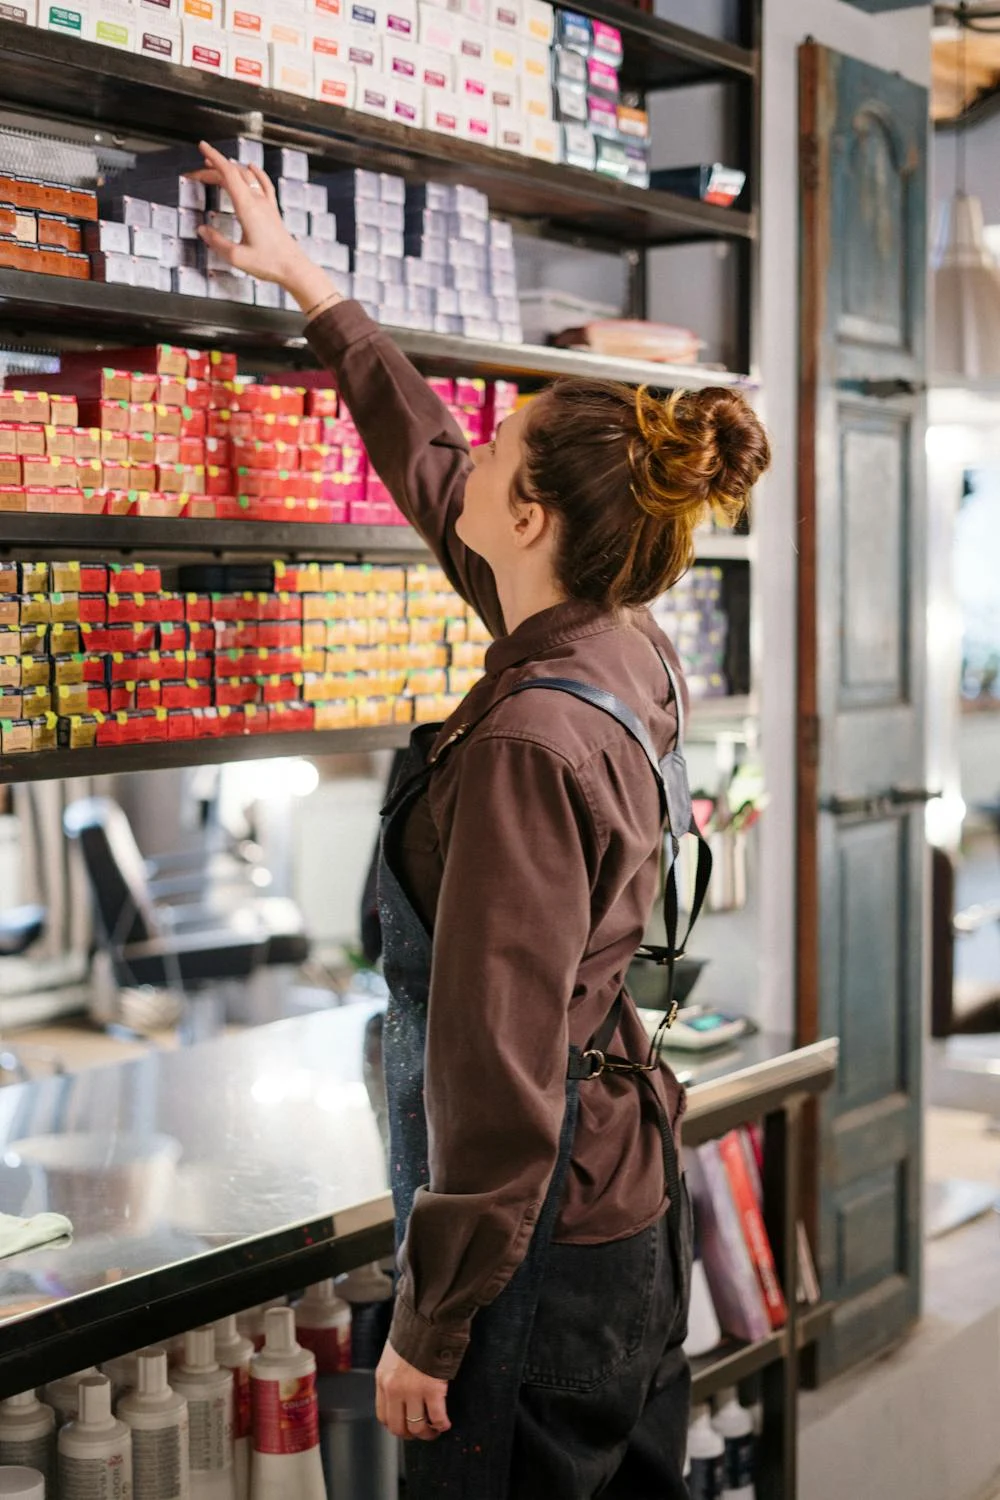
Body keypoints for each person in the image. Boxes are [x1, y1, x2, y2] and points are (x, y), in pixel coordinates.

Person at [194, 143, 771, 1500]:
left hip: (534, 1255)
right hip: (627, 1203)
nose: (472, 461)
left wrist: (432, 1325)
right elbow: (432, 464)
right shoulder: (619, 642)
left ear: (528, 515)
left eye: (498, 450)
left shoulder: (524, 743)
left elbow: (498, 1075)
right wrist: (312, 289)